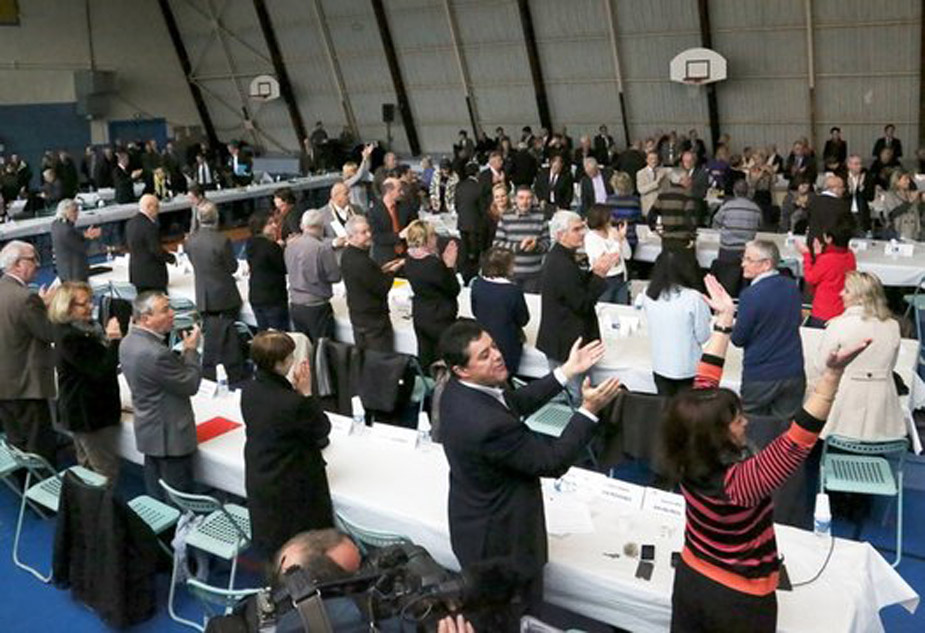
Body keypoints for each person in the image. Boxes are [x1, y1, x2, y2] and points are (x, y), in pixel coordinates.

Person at [662, 275, 869, 633]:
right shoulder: (741, 483)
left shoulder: (685, 449)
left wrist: (725, 320)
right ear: (717, 435)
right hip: (739, 596)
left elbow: (705, 381)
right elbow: (797, 440)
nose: (745, 422)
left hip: (692, 575)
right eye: (737, 419)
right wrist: (833, 376)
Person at [439, 319, 621, 631]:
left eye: (493, 346)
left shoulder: (459, 391)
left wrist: (567, 371)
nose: (497, 355)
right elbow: (550, 461)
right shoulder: (486, 424)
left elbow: (513, 403)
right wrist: (588, 411)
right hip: (503, 545)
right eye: (484, 355)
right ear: (462, 370)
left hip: (476, 520)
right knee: (514, 619)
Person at [242, 332, 333, 559]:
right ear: (279, 364)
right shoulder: (291, 404)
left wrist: (293, 394)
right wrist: (306, 395)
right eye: (289, 357)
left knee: (273, 546)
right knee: (299, 549)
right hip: (291, 482)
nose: (293, 359)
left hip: (261, 474)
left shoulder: (250, 390)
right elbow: (321, 428)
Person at [119, 292, 202, 499]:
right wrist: (191, 351)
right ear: (146, 318)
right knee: (179, 501)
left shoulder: (127, 341)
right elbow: (190, 384)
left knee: (156, 494)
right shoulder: (156, 353)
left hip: (149, 429)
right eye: (165, 310)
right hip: (171, 437)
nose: (172, 314)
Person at [816, 271, 906, 441]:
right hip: (883, 410)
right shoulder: (893, 326)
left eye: (847, 290)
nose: (841, 293)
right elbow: (891, 366)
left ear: (860, 297)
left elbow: (822, 367)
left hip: (843, 408)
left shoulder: (839, 326)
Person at [48, 282, 122, 483]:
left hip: (79, 411)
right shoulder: (73, 337)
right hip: (89, 414)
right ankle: (104, 513)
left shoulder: (73, 330)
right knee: (104, 470)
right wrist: (114, 340)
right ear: (67, 307)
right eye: (84, 304)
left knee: (88, 466)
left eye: (90, 301)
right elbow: (100, 370)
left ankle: (91, 511)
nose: (90, 306)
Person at [537, 211, 613, 403]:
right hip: (566, 344)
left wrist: (594, 273)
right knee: (577, 397)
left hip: (564, 339)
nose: (583, 233)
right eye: (576, 229)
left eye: (582, 227)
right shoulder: (561, 263)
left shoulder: (562, 256)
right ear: (561, 234)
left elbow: (575, 288)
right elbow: (582, 303)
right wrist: (599, 276)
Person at [732, 240, 805, 419]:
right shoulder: (791, 287)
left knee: (751, 431)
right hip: (793, 371)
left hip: (760, 376)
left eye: (749, 259)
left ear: (766, 264)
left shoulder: (750, 295)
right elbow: (796, 320)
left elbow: (738, 339)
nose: (743, 263)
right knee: (784, 436)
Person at [0, 241, 58, 466]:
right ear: (16, 264)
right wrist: (49, 306)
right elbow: (49, 333)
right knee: (39, 448)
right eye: (32, 259)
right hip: (26, 386)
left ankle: (26, 486)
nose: (37, 264)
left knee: (17, 443)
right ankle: (43, 493)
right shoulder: (26, 299)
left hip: (5, 383)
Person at [641, 249, 710, 396]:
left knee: (665, 411)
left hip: (660, 364)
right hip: (687, 367)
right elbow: (703, 336)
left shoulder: (648, 293)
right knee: (687, 413)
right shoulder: (694, 298)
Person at [340, 215, 404, 351]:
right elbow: (382, 287)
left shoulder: (347, 254)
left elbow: (367, 279)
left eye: (369, 230)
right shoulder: (362, 261)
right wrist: (392, 271)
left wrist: (382, 270)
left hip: (358, 318)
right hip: (374, 322)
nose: (369, 235)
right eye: (363, 232)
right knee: (380, 361)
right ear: (352, 236)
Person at [404, 221, 459, 369]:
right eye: (433, 235)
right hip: (439, 317)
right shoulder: (433, 264)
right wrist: (449, 267)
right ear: (426, 239)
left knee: (426, 356)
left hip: (421, 314)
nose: (436, 239)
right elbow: (453, 289)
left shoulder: (409, 259)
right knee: (442, 361)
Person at [470, 248, 530, 377]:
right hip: (506, 344)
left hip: (482, 340)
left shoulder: (477, 284)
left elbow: (475, 311)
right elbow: (523, 319)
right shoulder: (512, 291)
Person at [286, 209, 342, 343]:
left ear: (302, 226)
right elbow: (335, 276)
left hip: (295, 304)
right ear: (321, 227)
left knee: (303, 346)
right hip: (316, 305)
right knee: (322, 349)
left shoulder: (290, 246)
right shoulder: (322, 248)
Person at [184, 202, 242, 318]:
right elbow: (232, 267)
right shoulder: (222, 240)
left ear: (198, 219)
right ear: (217, 217)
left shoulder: (190, 240)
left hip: (203, 297)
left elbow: (193, 262)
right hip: (225, 297)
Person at [492, 186, 549, 293]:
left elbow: (547, 243)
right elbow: (497, 244)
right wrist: (519, 246)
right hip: (511, 273)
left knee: (531, 307)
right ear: (515, 199)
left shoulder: (541, 216)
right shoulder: (506, 217)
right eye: (521, 198)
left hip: (534, 275)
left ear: (533, 199)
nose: (525, 202)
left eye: (528, 198)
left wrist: (536, 246)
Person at [798, 221, 856, 328]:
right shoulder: (850, 255)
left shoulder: (827, 259)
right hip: (841, 311)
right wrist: (819, 255)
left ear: (829, 239)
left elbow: (810, 278)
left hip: (822, 313)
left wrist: (806, 254)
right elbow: (829, 273)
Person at [710, 179, 761, 295]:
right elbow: (759, 225)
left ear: (734, 191)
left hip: (727, 252)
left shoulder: (727, 206)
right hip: (747, 253)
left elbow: (716, 223)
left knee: (725, 284)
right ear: (748, 192)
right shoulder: (755, 208)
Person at [246, 212, 289, 331]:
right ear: (260, 227)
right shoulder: (271, 247)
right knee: (278, 337)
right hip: (273, 298)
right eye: (270, 223)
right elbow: (283, 268)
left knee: (264, 334)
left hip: (256, 295)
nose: (275, 225)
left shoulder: (250, 243)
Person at [125, 194, 176, 294]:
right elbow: (156, 250)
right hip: (153, 277)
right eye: (156, 206)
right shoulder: (150, 226)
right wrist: (171, 258)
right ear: (149, 207)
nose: (158, 210)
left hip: (137, 274)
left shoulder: (130, 223)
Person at [584, 204, 632, 304]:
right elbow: (608, 262)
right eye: (609, 216)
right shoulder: (591, 238)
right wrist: (617, 242)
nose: (611, 219)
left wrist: (622, 239)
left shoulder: (613, 232)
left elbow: (628, 255)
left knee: (622, 311)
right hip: (604, 280)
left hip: (621, 277)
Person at [50, 198, 101, 282]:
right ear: (65, 211)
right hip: (75, 274)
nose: (77, 214)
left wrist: (85, 234)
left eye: (77, 211)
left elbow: (74, 234)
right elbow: (84, 248)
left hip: (63, 271)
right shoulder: (67, 230)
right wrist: (90, 237)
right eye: (74, 211)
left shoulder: (55, 225)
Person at [369, 176, 417, 265]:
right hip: (385, 257)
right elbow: (376, 237)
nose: (402, 193)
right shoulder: (373, 212)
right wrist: (398, 236)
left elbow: (415, 225)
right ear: (389, 191)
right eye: (399, 190)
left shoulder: (406, 207)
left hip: (406, 254)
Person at [805, 174, 853, 260]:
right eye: (842, 188)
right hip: (833, 249)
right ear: (835, 188)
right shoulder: (842, 206)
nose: (843, 191)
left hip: (813, 245)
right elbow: (846, 229)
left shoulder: (812, 201)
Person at [455, 163, 486, 282]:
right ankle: (473, 277)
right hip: (476, 225)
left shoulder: (459, 186)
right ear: (477, 173)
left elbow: (456, 205)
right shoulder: (479, 187)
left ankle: (465, 277)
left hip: (462, 223)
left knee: (464, 252)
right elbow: (482, 208)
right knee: (475, 254)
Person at [881, 170, 922, 241]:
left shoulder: (911, 194)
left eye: (909, 179)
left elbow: (917, 213)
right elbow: (892, 214)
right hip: (898, 231)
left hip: (913, 232)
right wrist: (909, 202)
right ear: (897, 181)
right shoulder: (889, 195)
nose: (908, 181)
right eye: (905, 179)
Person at [636, 149, 668, 216]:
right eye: (651, 159)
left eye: (655, 158)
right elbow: (641, 190)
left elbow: (666, 189)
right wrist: (655, 184)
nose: (653, 161)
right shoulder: (641, 173)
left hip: (661, 207)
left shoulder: (663, 172)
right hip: (648, 208)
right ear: (647, 160)